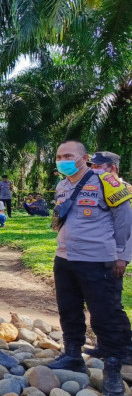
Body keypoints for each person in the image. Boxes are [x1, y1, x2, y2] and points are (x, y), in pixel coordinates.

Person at [47, 140, 132, 396]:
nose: (63, 160)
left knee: (105, 315)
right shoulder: (62, 185)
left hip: (99, 261)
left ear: (84, 158)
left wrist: (123, 256)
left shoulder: (107, 181)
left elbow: (124, 220)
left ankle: (113, 369)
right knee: (69, 309)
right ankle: (73, 354)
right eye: (60, 156)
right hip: (65, 259)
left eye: (68, 155)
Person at [84, 151, 132, 363]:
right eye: (92, 167)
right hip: (95, 255)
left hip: (113, 256)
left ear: (111, 168)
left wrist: (123, 257)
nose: (93, 170)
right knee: (97, 303)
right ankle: (104, 345)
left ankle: (126, 348)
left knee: (112, 304)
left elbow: (128, 228)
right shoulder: (96, 188)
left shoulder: (123, 190)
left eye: (97, 167)